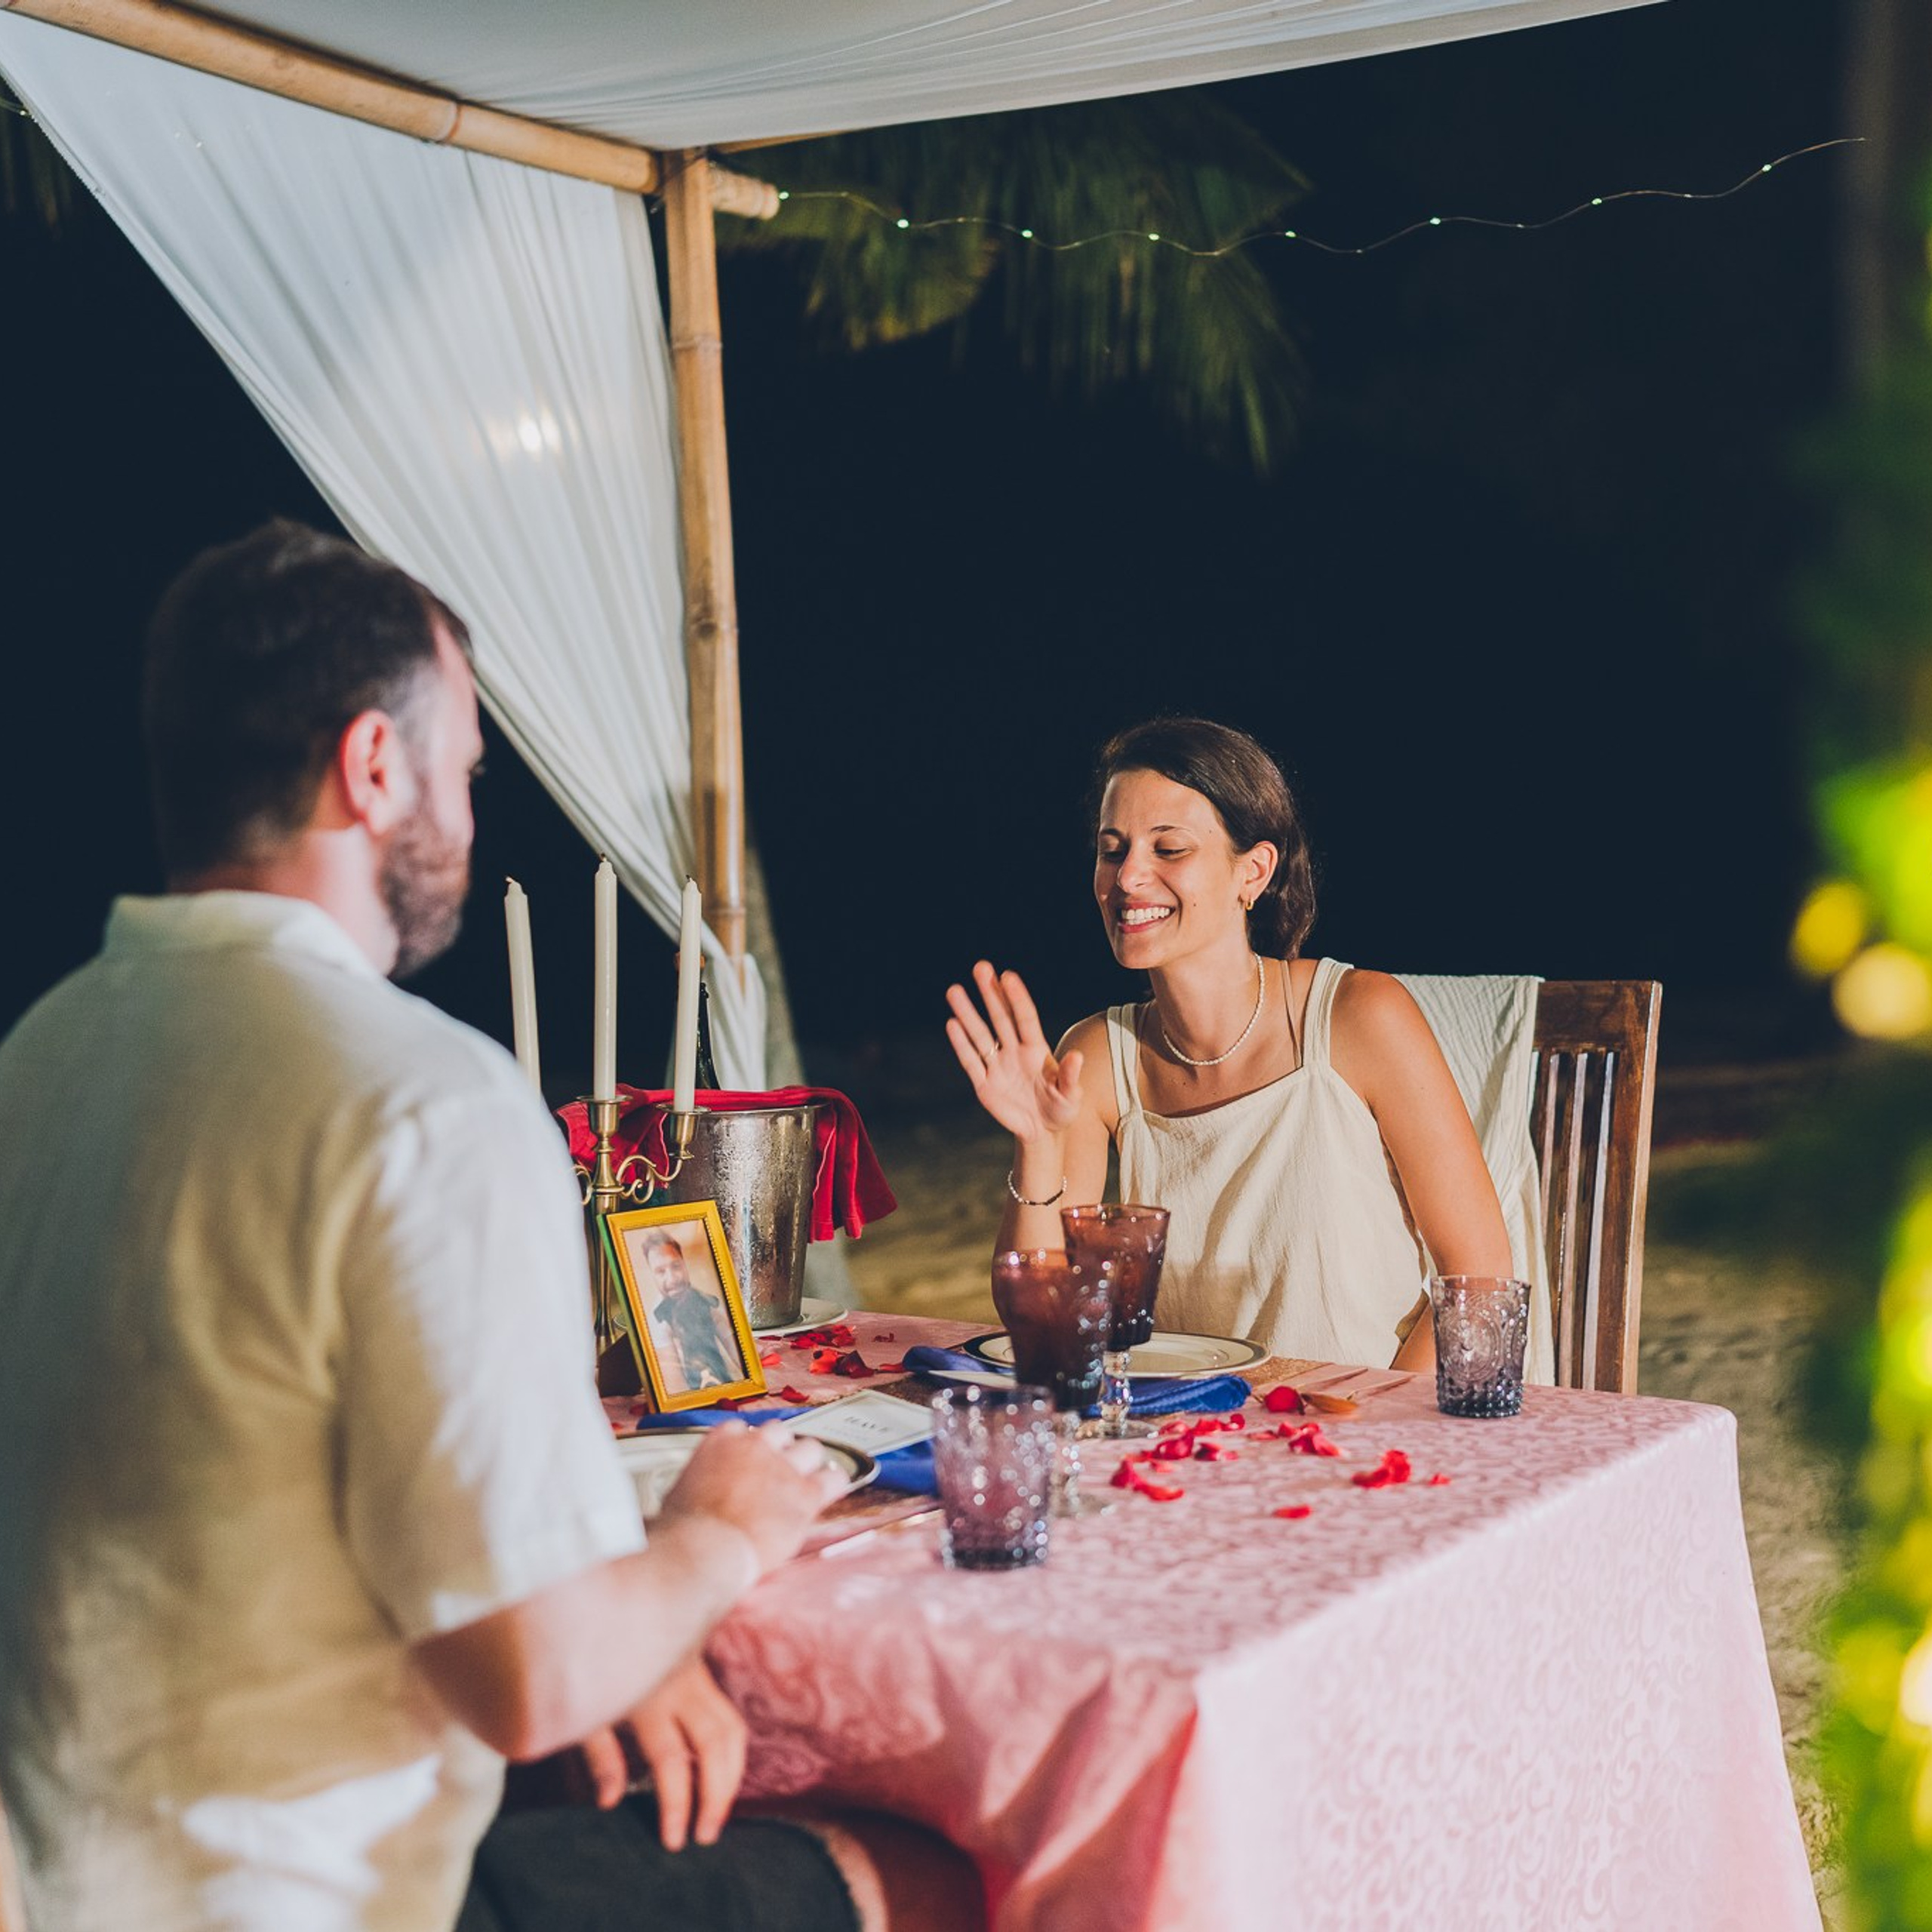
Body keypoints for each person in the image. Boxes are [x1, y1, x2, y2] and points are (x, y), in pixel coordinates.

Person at [0, 523, 971, 1932]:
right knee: (937, 1874)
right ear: (372, 766)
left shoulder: (43, 1056)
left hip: (75, 1879)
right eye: (461, 768)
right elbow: (527, 1678)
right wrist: (717, 1535)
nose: (467, 809)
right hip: (319, 1900)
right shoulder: (416, 1100)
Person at [946, 715, 1513, 1371]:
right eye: (1112, 848)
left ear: (1254, 871)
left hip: (1359, 1434)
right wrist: (1038, 1146)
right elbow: (1043, 1329)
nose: (1127, 878)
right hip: (1191, 1436)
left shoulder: (1358, 1017)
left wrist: (1370, 1430)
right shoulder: (1098, 1058)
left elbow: (1480, 1278)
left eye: (1169, 849)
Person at [641, 1233, 740, 1392]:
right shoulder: (657, 1321)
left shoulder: (709, 1303)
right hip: (691, 1395)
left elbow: (739, 1352)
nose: (672, 1278)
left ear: (684, 1264)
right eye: (661, 1271)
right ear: (652, 1275)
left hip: (723, 1385)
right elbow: (675, 1386)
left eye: (676, 1266)